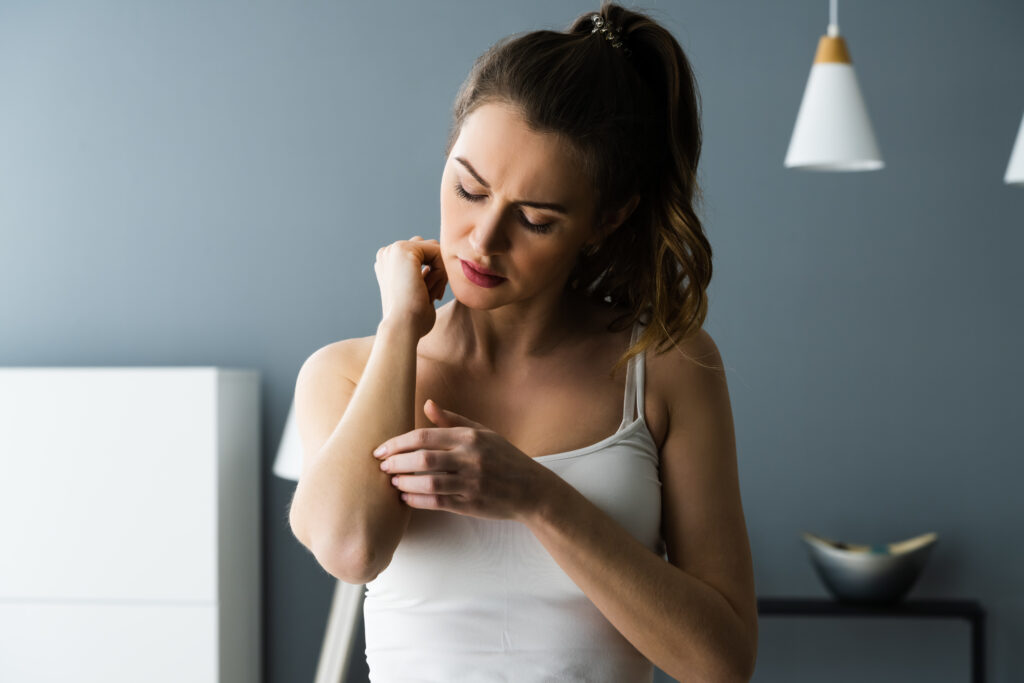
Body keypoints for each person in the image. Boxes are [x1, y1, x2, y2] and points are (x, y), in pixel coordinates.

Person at [287, 2, 757, 681]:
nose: (483, 239)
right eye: (468, 188)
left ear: (605, 219)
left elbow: (722, 661)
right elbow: (349, 547)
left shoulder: (666, 366)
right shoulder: (345, 370)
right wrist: (400, 329)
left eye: (535, 219)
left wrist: (538, 495)